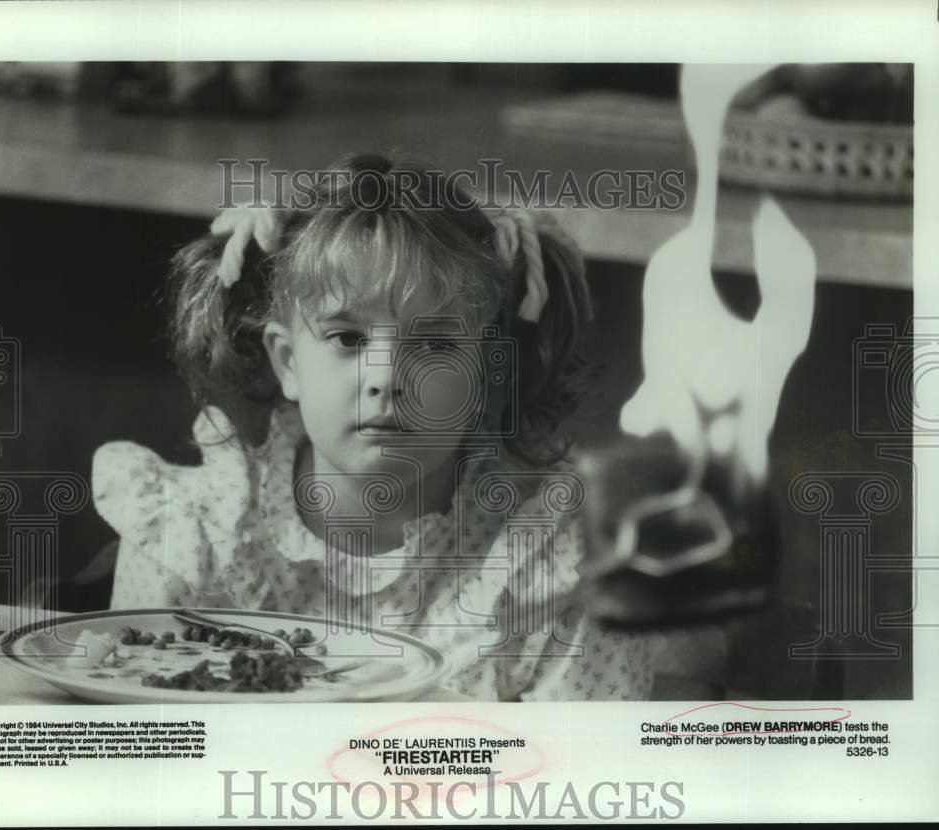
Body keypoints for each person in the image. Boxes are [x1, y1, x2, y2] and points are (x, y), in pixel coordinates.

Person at [92, 152, 717, 700]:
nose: (387, 377)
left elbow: (587, 768)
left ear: (486, 371)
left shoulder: (552, 569)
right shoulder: (193, 535)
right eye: (347, 338)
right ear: (287, 362)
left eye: (435, 345)